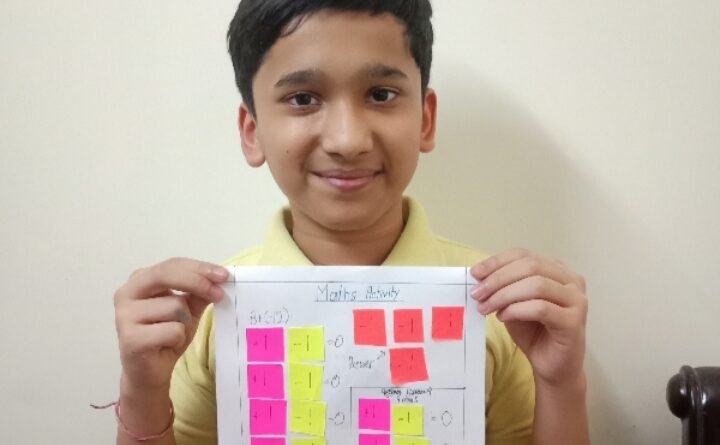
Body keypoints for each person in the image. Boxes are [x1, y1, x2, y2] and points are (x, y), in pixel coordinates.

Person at [112, 1, 590, 444]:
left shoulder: (499, 307)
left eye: (381, 94)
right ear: (252, 131)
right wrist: (142, 391)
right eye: (303, 98)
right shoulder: (209, 317)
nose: (347, 140)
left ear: (425, 120)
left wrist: (562, 383)